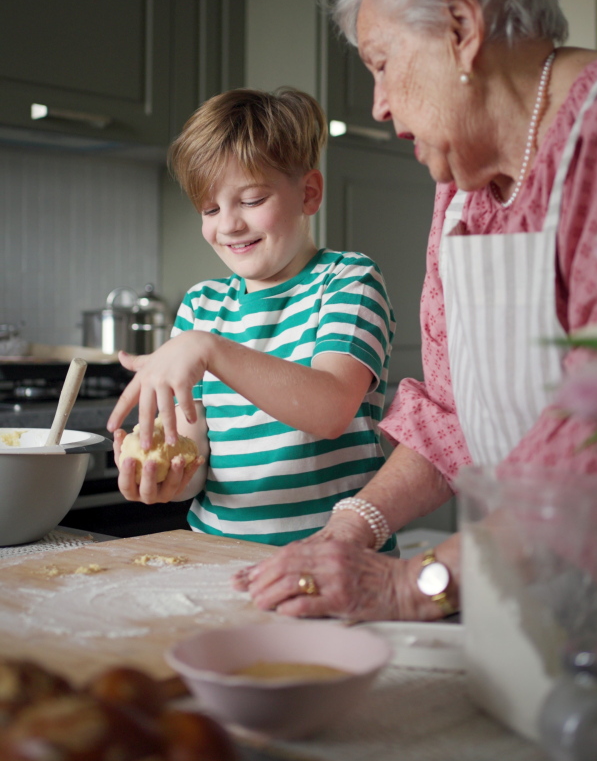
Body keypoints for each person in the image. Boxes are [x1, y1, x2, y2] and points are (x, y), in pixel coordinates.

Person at [232, 0, 597, 621]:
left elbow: (588, 447)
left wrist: (408, 583)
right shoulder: (462, 187)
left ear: (462, 28)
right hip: (533, 604)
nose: (377, 104)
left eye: (381, 63)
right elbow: (453, 413)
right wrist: (349, 529)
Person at [107, 87, 396, 549]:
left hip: (336, 562)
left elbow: (331, 410)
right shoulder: (201, 306)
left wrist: (208, 349)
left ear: (309, 193)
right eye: (210, 208)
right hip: (219, 558)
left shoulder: (347, 280)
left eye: (252, 199)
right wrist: (170, 478)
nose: (228, 225)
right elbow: (197, 451)